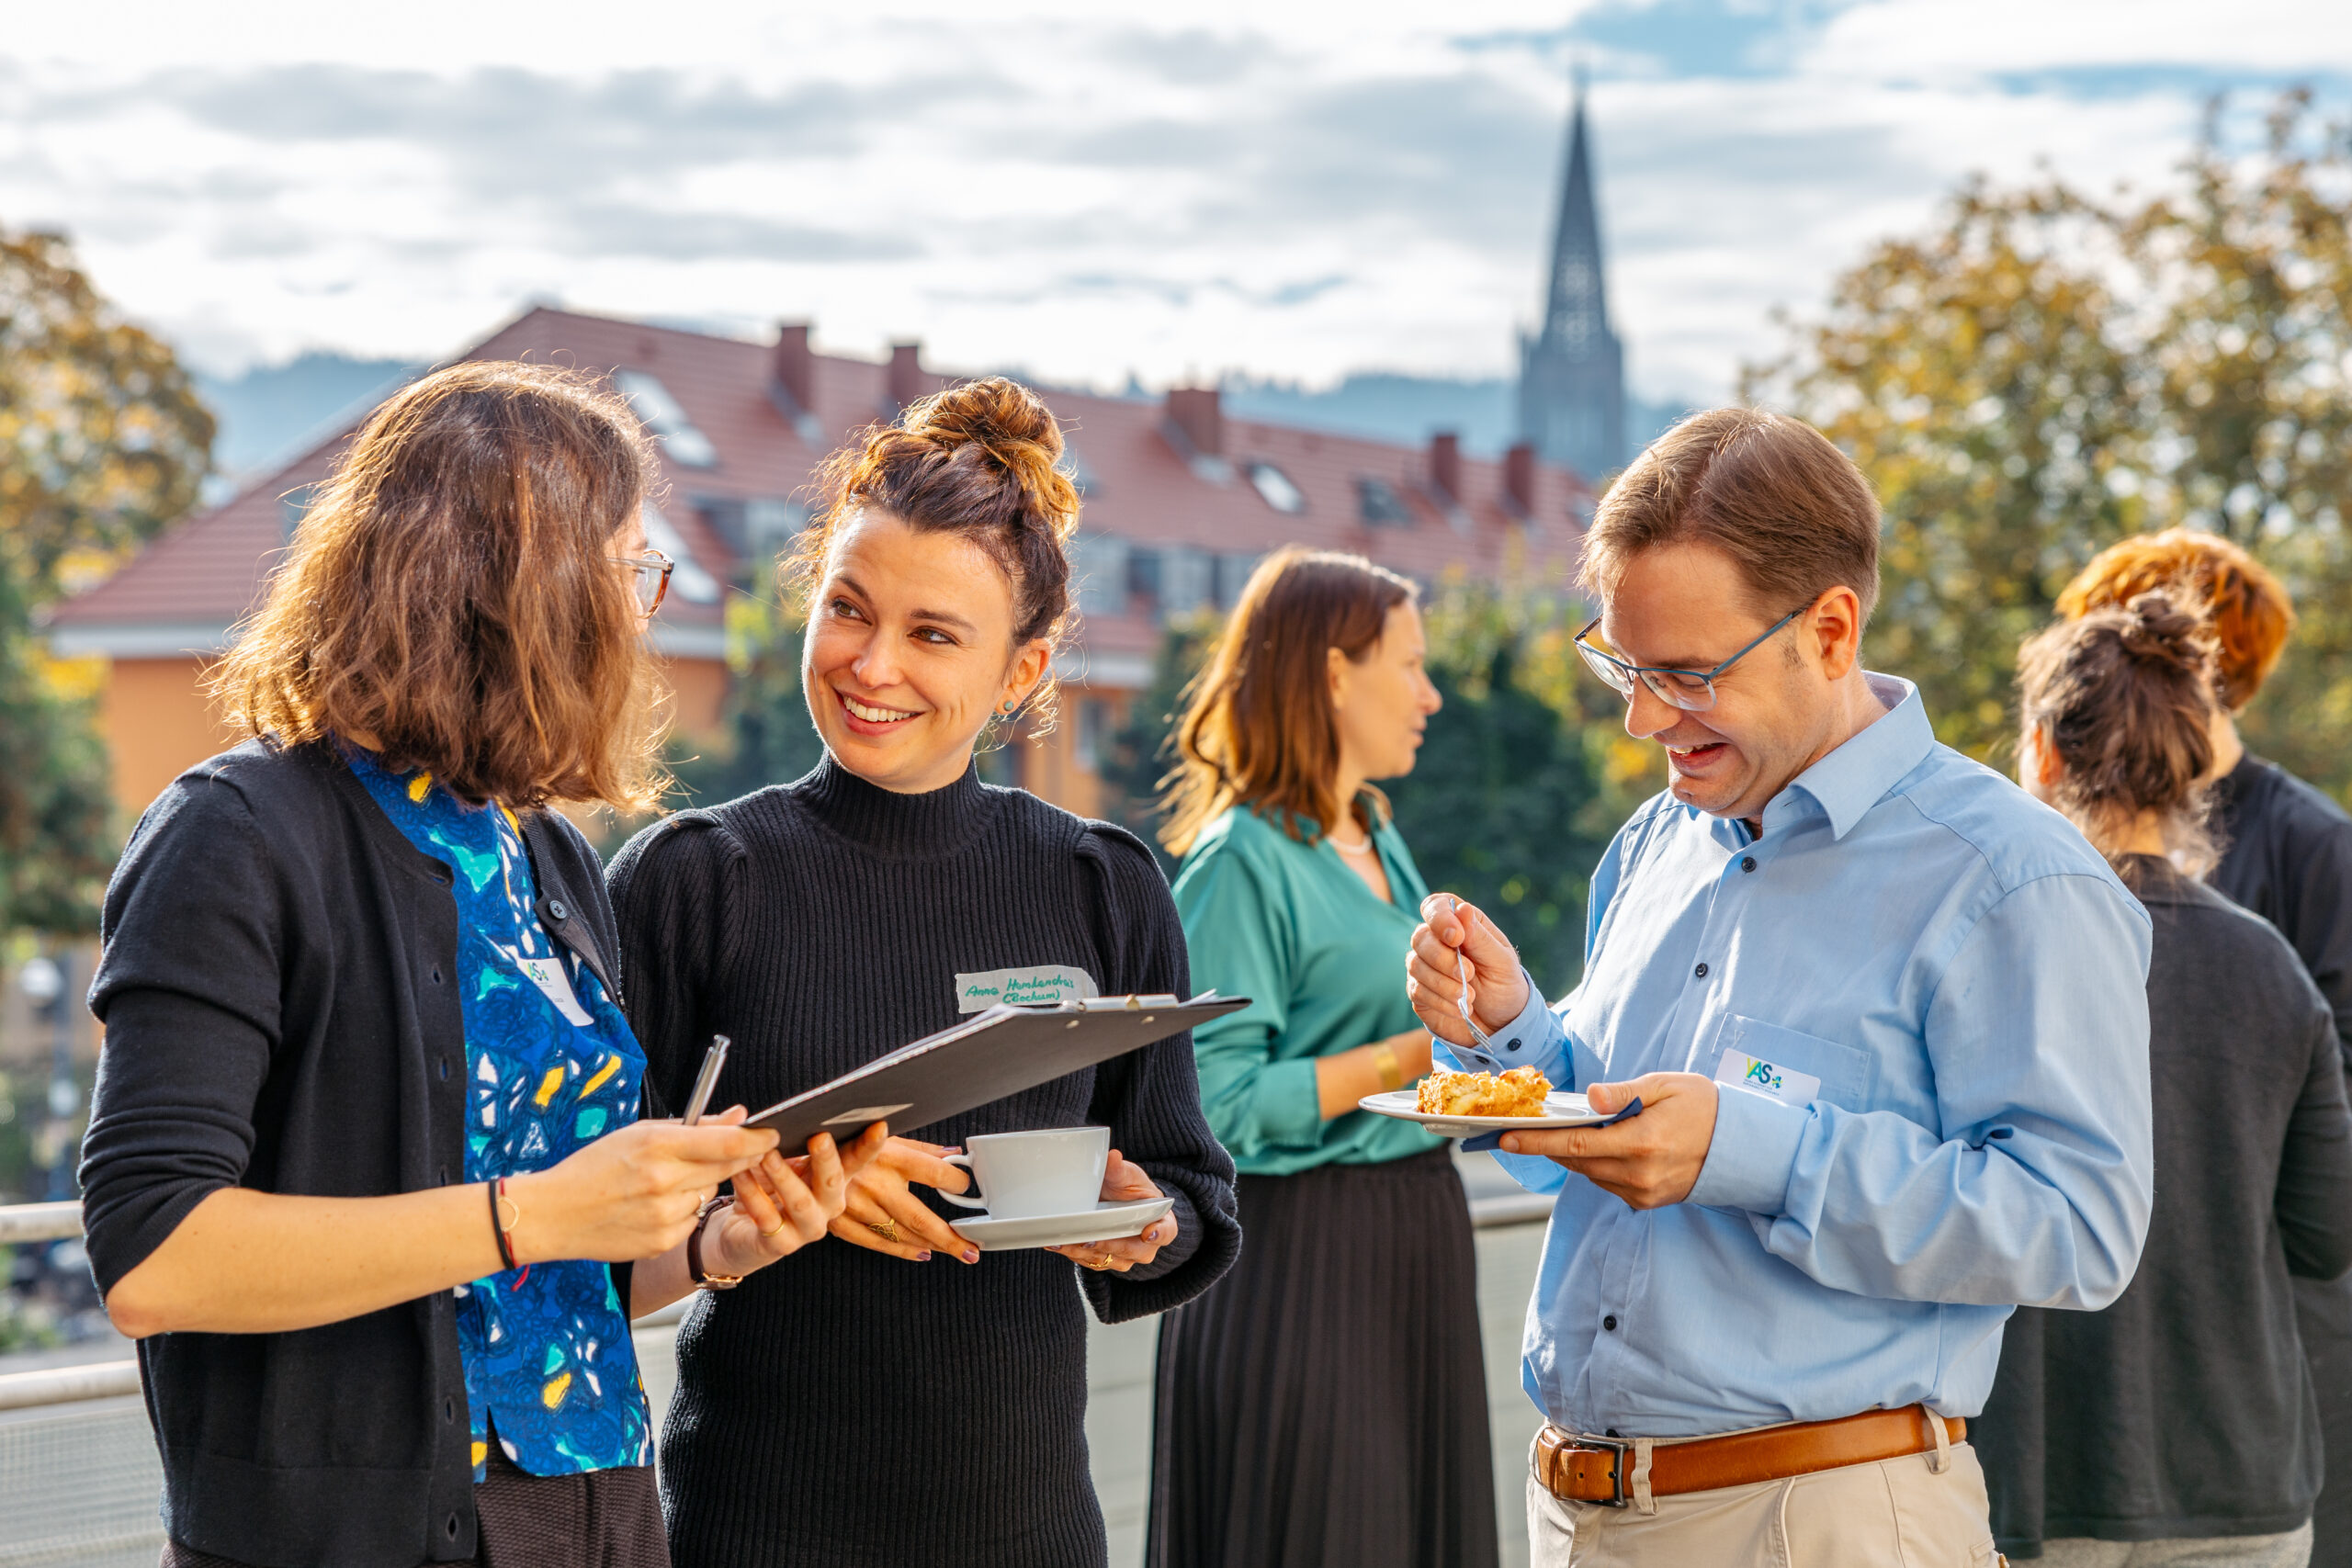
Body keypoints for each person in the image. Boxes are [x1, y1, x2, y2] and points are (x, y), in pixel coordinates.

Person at [76, 361, 879, 1568]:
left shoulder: (541, 849)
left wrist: (710, 1244)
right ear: (515, 594)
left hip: (598, 1519)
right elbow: (154, 1252)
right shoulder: (233, 836)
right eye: (625, 573)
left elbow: (560, 1267)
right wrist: (533, 1213)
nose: (642, 611)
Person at [1405, 407, 2155, 1566]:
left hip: (1819, 1522)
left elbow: (2078, 1228)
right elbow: (1605, 1129)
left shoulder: (2009, 879)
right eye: (1622, 665)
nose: (1643, 717)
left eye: (1686, 675)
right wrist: (1511, 1037)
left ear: (1832, 630)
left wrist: (1760, 1155)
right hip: (1576, 1516)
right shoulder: (1656, 841)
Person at [607, 375, 1241, 1568]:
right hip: (753, 1531)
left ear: (1023, 667)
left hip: (1029, 1530)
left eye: (934, 633)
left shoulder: (1103, 883)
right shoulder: (696, 878)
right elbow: (579, 1242)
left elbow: (1194, 1195)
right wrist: (761, 1203)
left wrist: (1136, 1221)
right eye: (848, 609)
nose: (871, 663)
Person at [1972, 591, 2352, 1565]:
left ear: (2043, 754)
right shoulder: (2274, 969)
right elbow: (2327, 1232)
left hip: (2035, 1479)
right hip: (2243, 1484)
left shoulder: (1985, 947)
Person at [1147, 547, 1497, 1568]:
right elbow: (1215, 1106)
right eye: (1411, 665)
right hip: (1300, 1263)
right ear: (1334, 672)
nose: (1430, 695)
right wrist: (1408, 1052)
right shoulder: (1238, 862)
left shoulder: (1374, 834)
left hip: (1413, 1239)